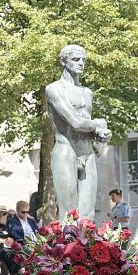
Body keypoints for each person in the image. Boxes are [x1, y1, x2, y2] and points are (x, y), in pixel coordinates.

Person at [46, 45, 112, 219]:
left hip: (87, 151)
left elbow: (86, 125)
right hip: (66, 150)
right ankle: (67, 247)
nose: (81, 63)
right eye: (76, 59)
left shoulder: (87, 93)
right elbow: (74, 122)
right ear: (63, 61)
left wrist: (99, 133)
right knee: (68, 214)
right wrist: (97, 123)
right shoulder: (54, 89)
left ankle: (90, 247)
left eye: (83, 60)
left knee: (88, 214)